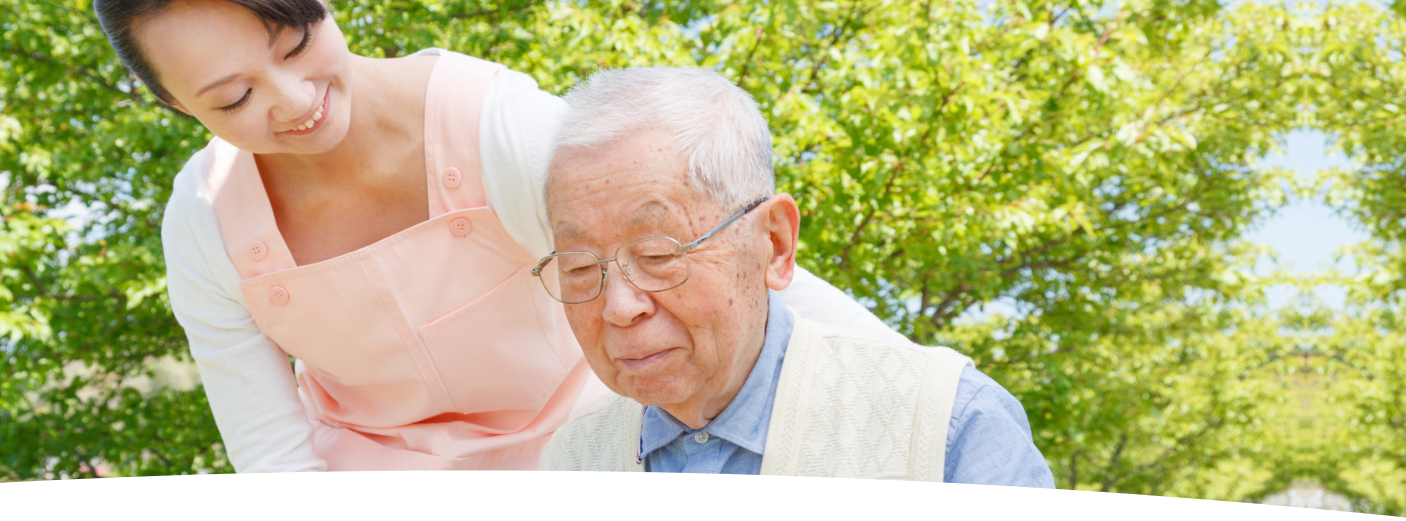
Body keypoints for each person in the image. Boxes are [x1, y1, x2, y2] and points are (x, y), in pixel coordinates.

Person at [95, 0, 914, 472]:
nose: (291, 100)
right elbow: (270, 441)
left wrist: (916, 389)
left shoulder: (490, 125)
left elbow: (715, 260)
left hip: (591, 446)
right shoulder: (207, 220)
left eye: (295, 44)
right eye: (233, 98)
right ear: (178, 108)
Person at [535, 67, 1054, 485]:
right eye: (580, 268)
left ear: (774, 244)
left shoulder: (948, 424)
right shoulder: (572, 452)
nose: (619, 307)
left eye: (657, 254)